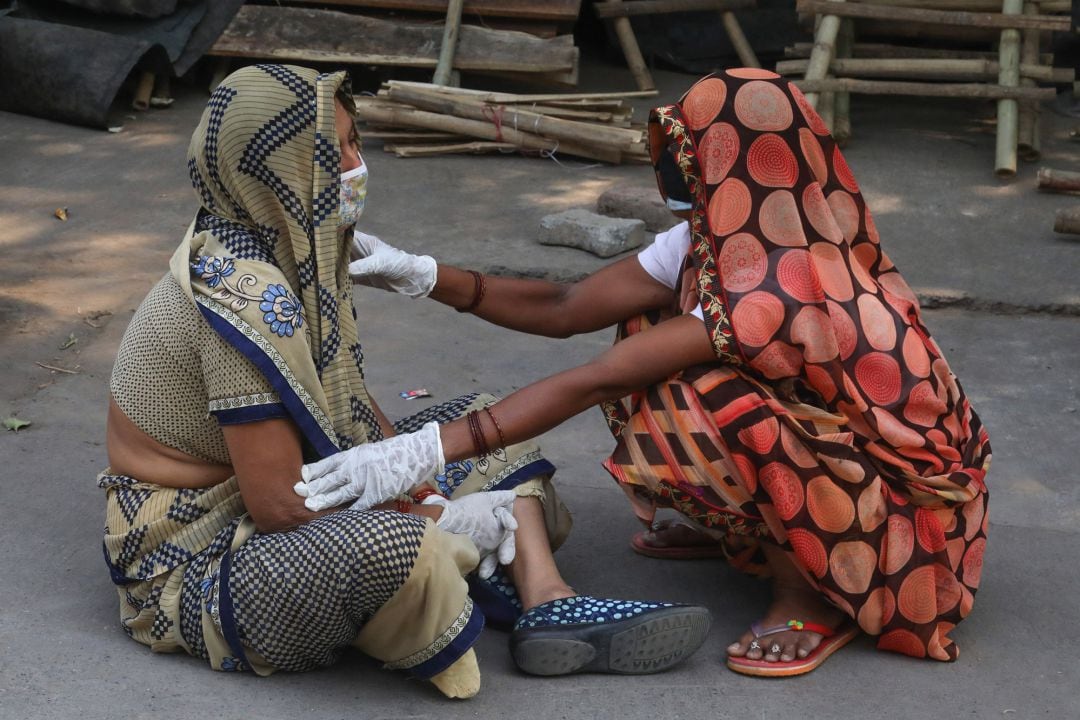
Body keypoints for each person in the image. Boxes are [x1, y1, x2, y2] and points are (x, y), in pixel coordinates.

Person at [299, 68, 991, 678]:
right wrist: (421, 275)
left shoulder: (779, 282)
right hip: (845, 470)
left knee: (714, 398)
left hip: (910, 527)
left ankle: (811, 597)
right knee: (649, 325)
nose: (672, 167)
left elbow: (599, 379)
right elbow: (569, 305)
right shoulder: (722, 234)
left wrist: (423, 450)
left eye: (689, 151)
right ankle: (761, 527)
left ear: (732, 160)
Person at [99, 64, 712, 700]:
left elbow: (343, 394)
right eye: (331, 153)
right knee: (399, 550)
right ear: (275, 171)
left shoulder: (293, 240)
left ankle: (546, 603)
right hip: (197, 557)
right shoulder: (241, 300)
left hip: (289, 491)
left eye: (353, 141)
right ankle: (458, 574)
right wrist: (436, 515)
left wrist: (412, 473)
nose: (355, 165)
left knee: (490, 430)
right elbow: (280, 507)